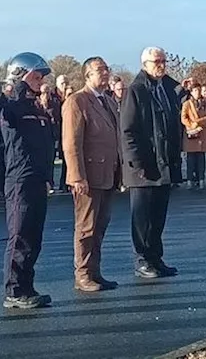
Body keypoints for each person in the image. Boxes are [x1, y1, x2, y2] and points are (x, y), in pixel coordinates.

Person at [0, 52, 56, 311]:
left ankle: (26, 285)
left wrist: (47, 177)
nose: (41, 80)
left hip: (36, 177)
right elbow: (6, 113)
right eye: (36, 75)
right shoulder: (12, 104)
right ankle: (14, 290)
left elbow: (44, 144)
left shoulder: (36, 106)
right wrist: (18, 84)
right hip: (19, 178)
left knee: (34, 237)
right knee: (20, 235)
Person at [120, 46, 182, 280]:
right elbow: (128, 130)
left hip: (163, 164)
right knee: (142, 218)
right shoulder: (136, 90)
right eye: (156, 61)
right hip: (144, 166)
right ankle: (142, 260)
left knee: (157, 216)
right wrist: (136, 163)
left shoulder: (166, 88)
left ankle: (156, 257)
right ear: (144, 63)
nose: (161, 65)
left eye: (163, 60)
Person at [62, 56, 122, 293]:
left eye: (107, 69)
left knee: (100, 226)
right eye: (99, 70)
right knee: (86, 227)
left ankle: (95, 271)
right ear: (87, 75)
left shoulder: (107, 101)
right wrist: (77, 176)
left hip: (108, 173)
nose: (105, 73)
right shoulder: (77, 101)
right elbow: (71, 142)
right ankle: (83, 274)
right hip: (88, 175)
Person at [181, 84, 206, 189]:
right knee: (190, 159)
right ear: (191, 92)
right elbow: (183, 118)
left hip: (202, 133)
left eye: (198, 90)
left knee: (201, 159)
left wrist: (198, 122)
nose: (197, 93)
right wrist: (192, 125)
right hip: (191, 133)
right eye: (195, 90)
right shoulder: (187, 104)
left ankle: (201, 179)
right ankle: (190, 180)